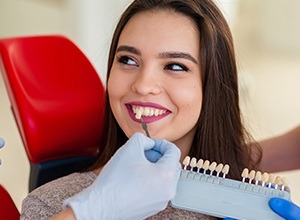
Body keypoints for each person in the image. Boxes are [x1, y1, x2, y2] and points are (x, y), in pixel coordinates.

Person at [19, 0, 299, 219]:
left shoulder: (252, 203)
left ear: (212, 86)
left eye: (175, 66)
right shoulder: (49, 205)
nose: (143, 85)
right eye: (127, 60)